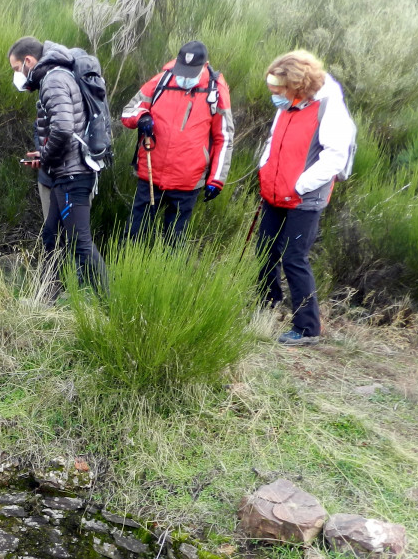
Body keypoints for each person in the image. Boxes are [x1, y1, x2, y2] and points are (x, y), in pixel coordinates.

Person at [255, 50, 355, 344]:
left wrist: (298, 186)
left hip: (304, 199)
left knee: (294, 258)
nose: (275, 95)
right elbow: (274, 139)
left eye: (279, 90)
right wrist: (265, 168)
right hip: (275, 191)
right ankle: (267, 306)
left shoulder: (328, 108)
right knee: (265, 250)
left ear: (298, 85)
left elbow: (334, 158)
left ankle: (307, 328)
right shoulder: (288, 103)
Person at [8, 36, 106, 298]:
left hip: (72, 174)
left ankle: (111, 303)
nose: (18, 75)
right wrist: (44, 155)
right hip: (65, 171)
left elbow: (62, 129)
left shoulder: (53, 80)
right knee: (51, 235)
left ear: (28, 61)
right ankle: (47, 296)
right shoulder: (55, 76)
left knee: (81, 242)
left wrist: (46, 158)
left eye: (17, 69)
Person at [120, 41, 234, 242]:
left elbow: (223, 137)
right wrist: (142, 117)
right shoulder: (161, 80)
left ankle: (166, 272)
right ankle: (125, 271)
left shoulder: (215, 91)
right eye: (182, 71)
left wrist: (217, 179)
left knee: (174, 241)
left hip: (187, 182)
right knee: (134, 234)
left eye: (191, 73)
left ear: (204, 65)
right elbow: (129, 111)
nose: (184, 78)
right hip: (151, 174)